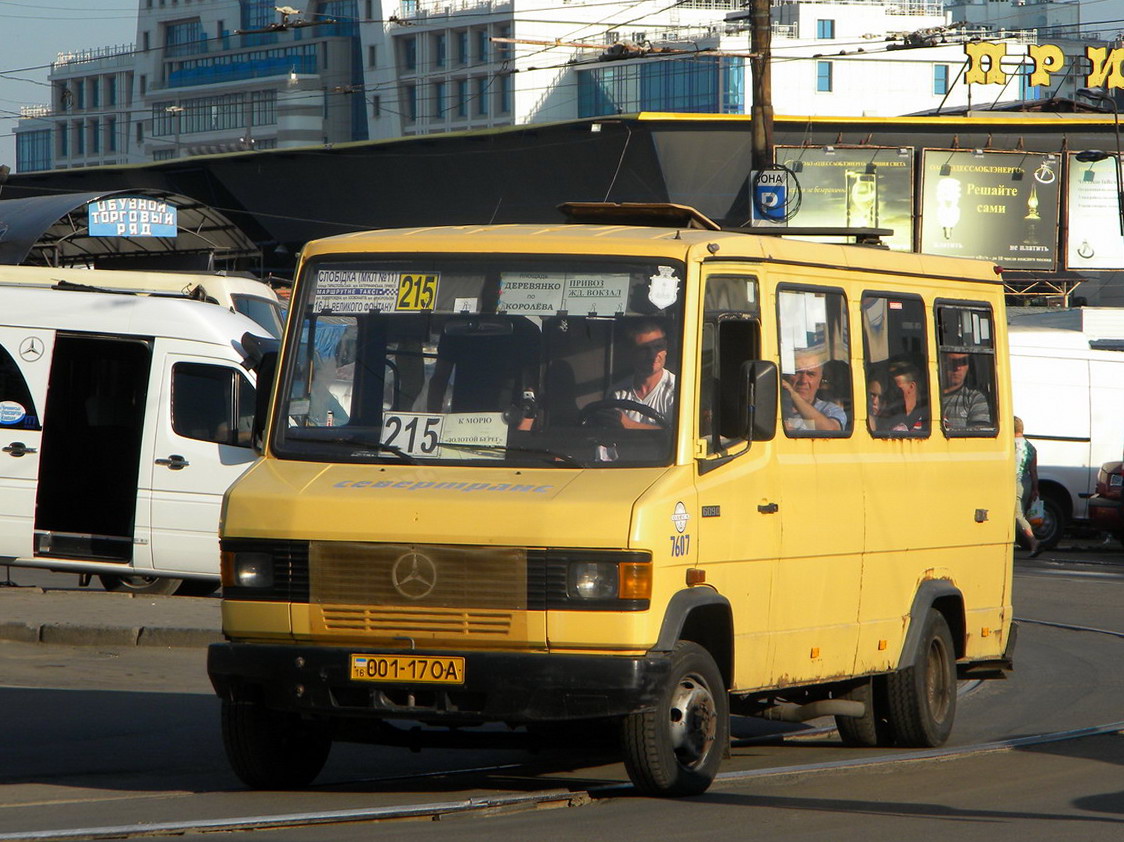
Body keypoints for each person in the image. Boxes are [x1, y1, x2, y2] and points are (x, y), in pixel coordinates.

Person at [606, 320, 676, 428]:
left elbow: (679, 437)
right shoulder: (617, 393)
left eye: (658, 347)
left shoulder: (678, 391)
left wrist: (630, 425)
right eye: (644, 349)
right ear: (631, 353)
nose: (653, 355)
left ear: (665, 348)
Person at [782, 351, 847, 432]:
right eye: (797, 372)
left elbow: (831, 430)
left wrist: (794, 395)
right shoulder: (775, 408)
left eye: (810, 374)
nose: (803, 380)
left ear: (820, 382)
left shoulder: (829, 410)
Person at [941, 351, 991, 430]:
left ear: (968, 366)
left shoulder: (975, 398)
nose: (957, 368)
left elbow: (979, 436)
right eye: (953, 362)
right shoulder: (927, 398)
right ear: (942, 364)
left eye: (963, 362)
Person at [1015, 416, 1041, 557]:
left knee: (1017, 515)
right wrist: (1035, 489)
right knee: (1021, 513)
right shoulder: (1030, 447)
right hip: (1027, 482)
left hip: (1015, 481)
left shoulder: (1011, 445)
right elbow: (1033, 471)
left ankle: (1033, 541)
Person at [884, 360, 928, 433]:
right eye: (889, 384)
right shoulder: (885, 418)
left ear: (911, 386)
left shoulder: (932, 418)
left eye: (895, 383)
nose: (890, 389)